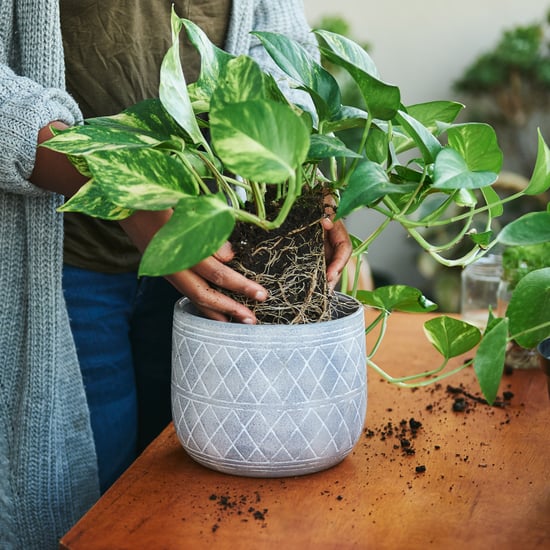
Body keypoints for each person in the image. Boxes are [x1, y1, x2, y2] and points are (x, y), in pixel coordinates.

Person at [0, 1, 351, 547]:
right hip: (69, 268)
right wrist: (126, 193)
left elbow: (282, 51)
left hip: (219, 249)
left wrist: (294, 175)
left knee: (202, 506)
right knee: (95, 511)